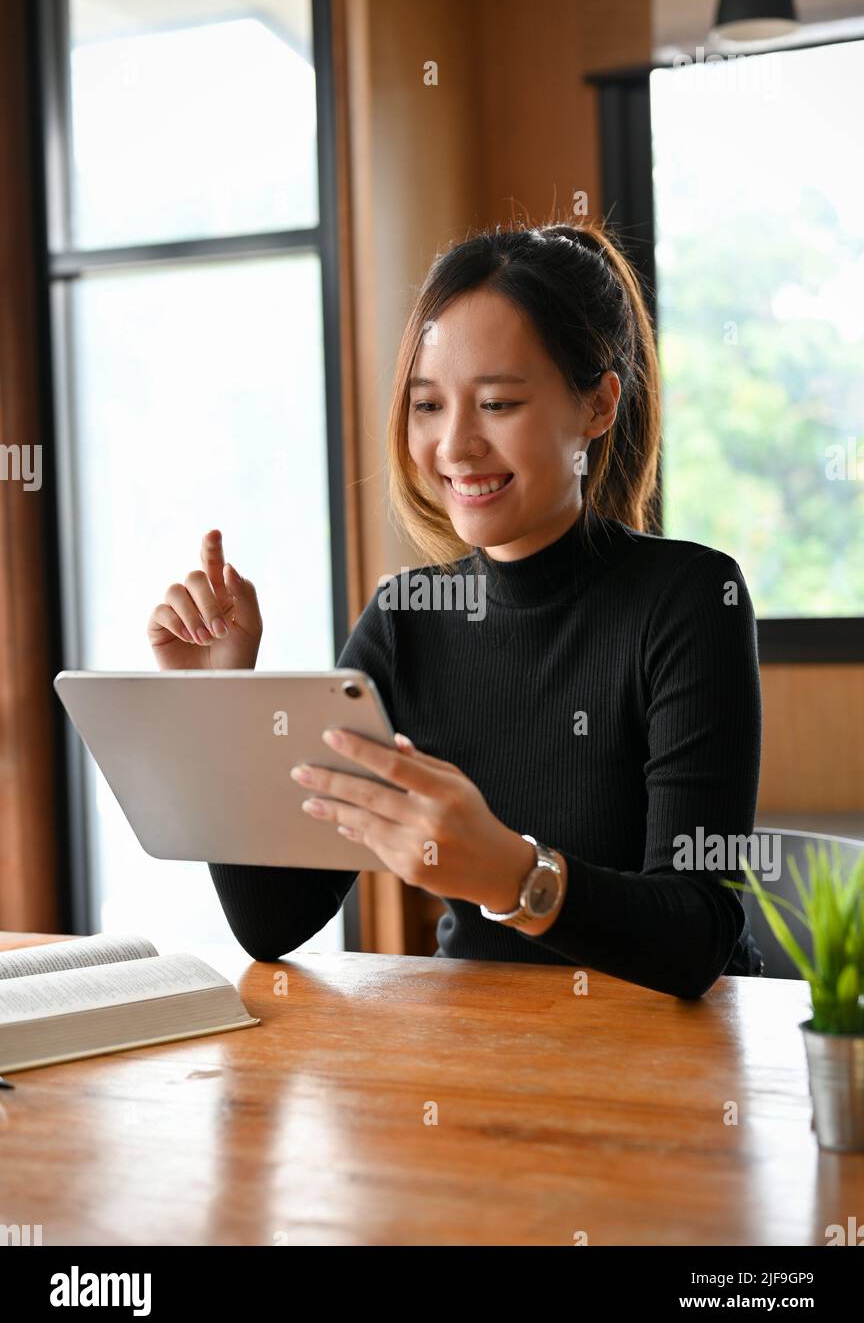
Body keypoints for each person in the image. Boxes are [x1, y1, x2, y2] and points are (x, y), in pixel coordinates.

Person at [147, 220, 765, 999]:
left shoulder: (690, 601)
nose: (454, 446)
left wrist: (513, 874)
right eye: (428, 405)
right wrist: (221, 703)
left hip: (664, 1067)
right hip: (470, 1058)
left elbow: (698, 933)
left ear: (599, 405)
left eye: (498, 403)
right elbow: (273, 923)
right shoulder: (406, 619)